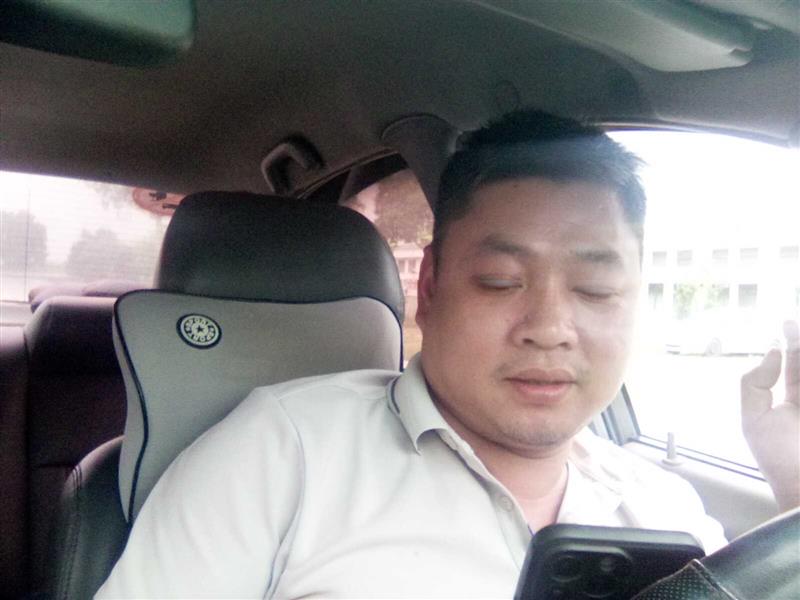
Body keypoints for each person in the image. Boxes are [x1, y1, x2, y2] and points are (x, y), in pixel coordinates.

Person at [96, 111, 799, 598]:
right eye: (499, 281)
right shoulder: (281, 455)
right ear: (430, 290)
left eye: (596, 288)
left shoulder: (666, 510)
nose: (550, 328)